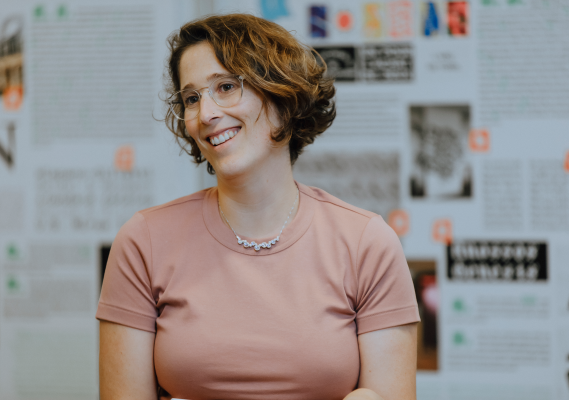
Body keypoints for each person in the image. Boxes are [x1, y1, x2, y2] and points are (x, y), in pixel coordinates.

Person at [97, 14, 419, 400]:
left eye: (227, 86)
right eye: (192, 98)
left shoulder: (367, 243)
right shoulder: (143, 241)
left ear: (283, 95)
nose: (206, 114)